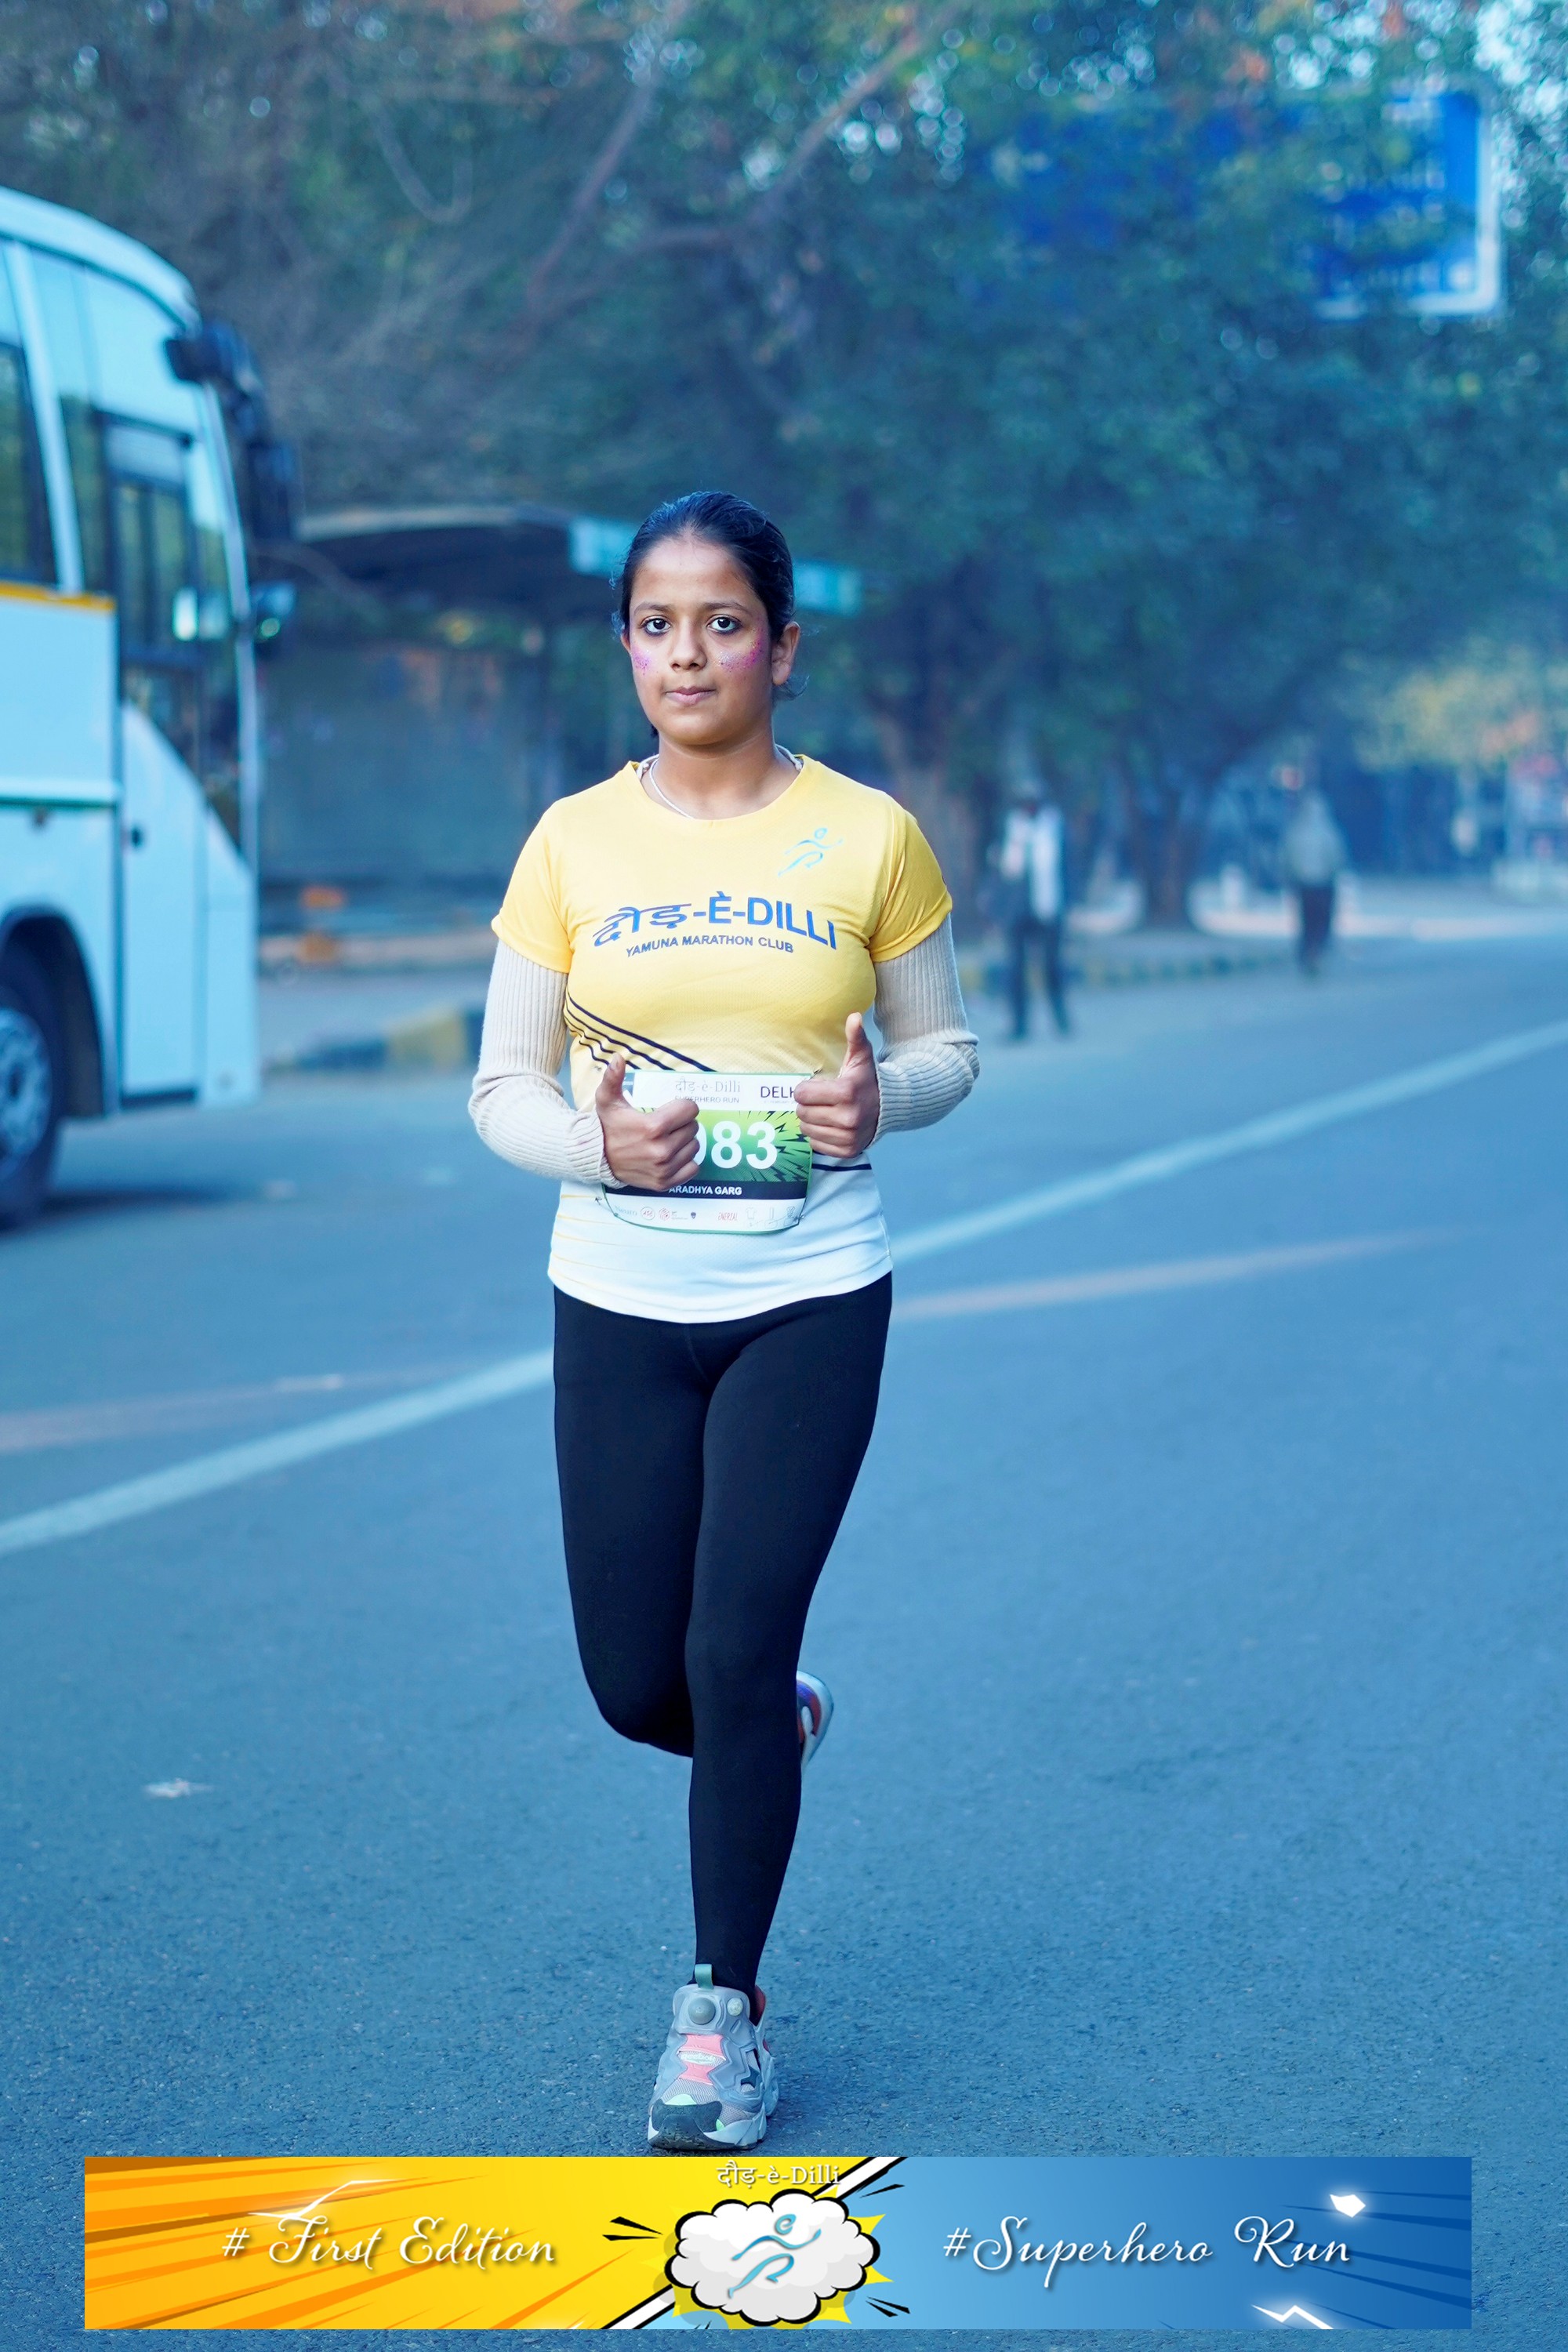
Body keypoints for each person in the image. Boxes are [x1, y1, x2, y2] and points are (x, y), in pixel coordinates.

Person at [469, 491, 978, 2154]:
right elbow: (502, 1086)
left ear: (782, 644)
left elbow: (945, 1050)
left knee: (729, 1649)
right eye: (656, 624)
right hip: (618, 1300)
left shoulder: (870, 837)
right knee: (640, 1684)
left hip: (809, 1293)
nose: (686, 654)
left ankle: (720, 2013)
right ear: (625, 644)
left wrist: (881, 1104)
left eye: (723, 622)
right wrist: (595, 1148)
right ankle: (769, 1720)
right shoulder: (569, 845)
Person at [994, 782, 1072, 1037]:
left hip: (1049, 905)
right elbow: (1001, 870)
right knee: (1016, 969)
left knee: (1052, 966)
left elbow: (1067, 865)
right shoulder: (1011, 827)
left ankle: (1061, 1020)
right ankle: (1019, 1026)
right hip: (1017, 910)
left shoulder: (1054, 826)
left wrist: (1069, 903)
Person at [1279, 787, 1348, 975]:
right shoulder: (1329, 831)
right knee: (1321, 921)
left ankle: (1308, 953)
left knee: (1306, 921)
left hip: (1303, 885)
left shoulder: (1296, 831)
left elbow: (1287, 856)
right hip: (1323, 885)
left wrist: (1290, 875)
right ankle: (1317, 954)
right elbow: (1337, 857)